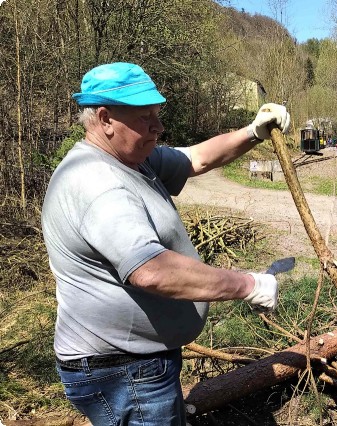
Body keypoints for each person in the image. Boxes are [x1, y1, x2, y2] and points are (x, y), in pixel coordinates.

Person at [41, 62, 291, 425]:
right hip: (122, 372)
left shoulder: (132, 158)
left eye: (158, 115)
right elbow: (153, 272)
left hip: (135, 366)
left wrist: (253, 132)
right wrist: (248, 284)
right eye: (146, 118)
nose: (159, 127)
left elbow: (196, 158)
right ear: (106, 118)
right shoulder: (97, 183)